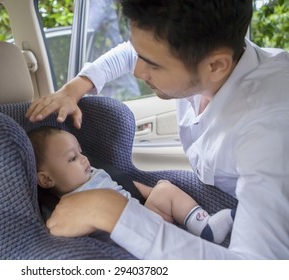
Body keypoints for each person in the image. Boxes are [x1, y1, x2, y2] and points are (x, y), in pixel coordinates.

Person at [26, 0, 289, 259]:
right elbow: (131, 53)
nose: (138, 70)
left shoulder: (271, 131)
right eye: (140, 55)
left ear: (215, 65)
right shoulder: (204, 58)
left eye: (152, 64)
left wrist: (110, 211)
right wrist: (73, 89)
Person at [28, 126, 234, 244]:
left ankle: (204, 227)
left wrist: (156, 193)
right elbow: (61, 231)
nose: (83, 159)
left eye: (81, 152)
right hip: (128, 239)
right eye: (72, 158)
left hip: (148, 217)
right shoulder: (68, 205)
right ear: (46, 179)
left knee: (165, 189)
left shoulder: (94, 173)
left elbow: (128, 186)